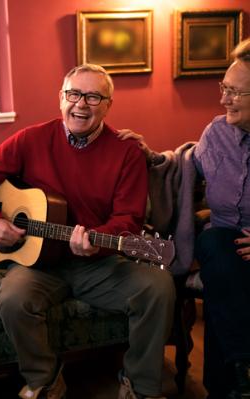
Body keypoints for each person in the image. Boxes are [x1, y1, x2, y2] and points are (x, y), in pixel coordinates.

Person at [0, 64, 175, 399]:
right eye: (74, 94)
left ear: (108, 104)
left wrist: (97, 243)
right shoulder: (31, 139)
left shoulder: (126, 151)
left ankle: (141, 386)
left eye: (93, 96)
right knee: (14, 299)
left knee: (158, 287)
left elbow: (129, 219)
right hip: (39, 263)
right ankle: (44, 379)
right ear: (61, 99)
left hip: (99, 263)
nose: (81, 104)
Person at [119, 38, 250, 399]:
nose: (223, 99)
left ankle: (230, 383)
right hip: (225, 246)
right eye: (224, 88)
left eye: (235, 93)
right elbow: (182, 169)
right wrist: (147, 157)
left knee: (223, 273)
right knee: (216, 244)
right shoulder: (218, 133)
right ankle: (242, 372)